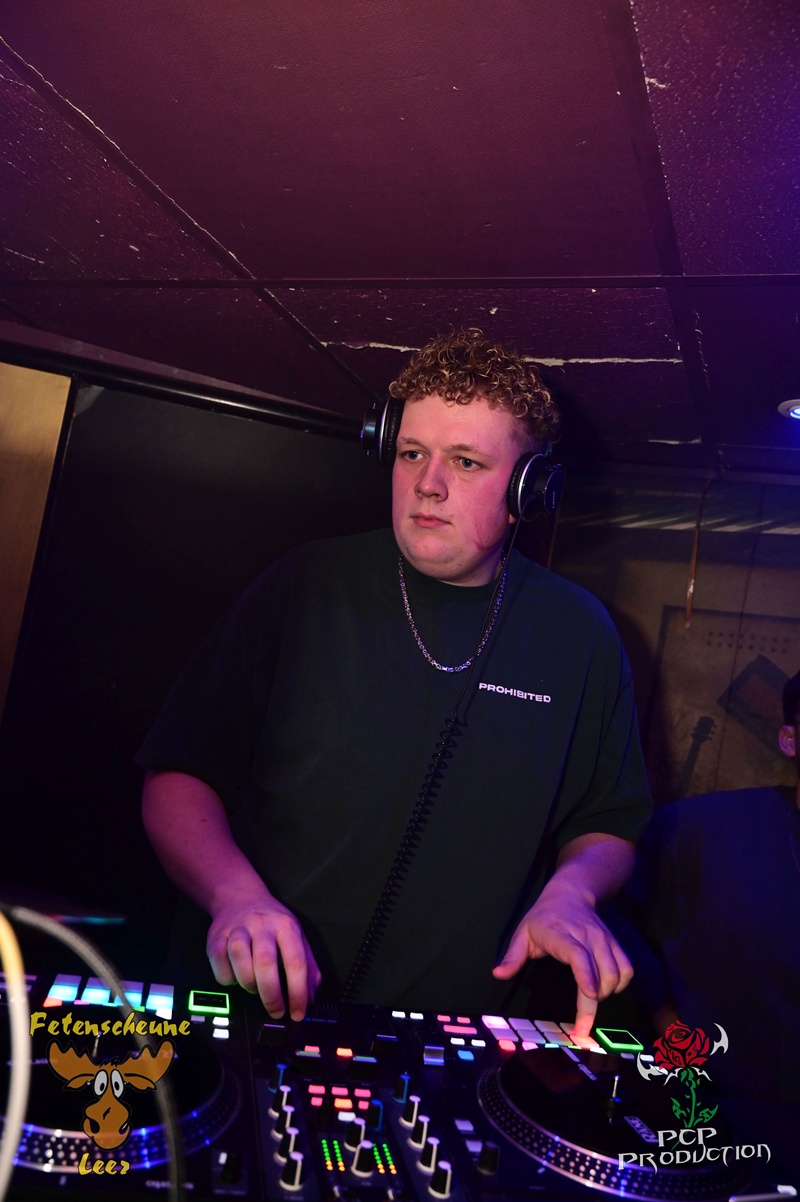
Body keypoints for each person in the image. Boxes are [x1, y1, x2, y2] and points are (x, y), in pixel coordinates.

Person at [138, 328, 651, 1033]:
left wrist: (573, 893)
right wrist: (234, 895)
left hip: (451, 1036)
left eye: (465, 461)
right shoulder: (305, 586)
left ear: (528, 492)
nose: (427, 484)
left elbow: (608, 822)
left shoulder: (580, 636)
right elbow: (177, 775)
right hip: (246, 1011)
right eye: (412, 453)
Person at [612, 669, 800, 1174]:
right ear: (790, 740)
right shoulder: (706, 828)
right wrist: (662, 1014)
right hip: (714, 1118)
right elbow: (609, 905)